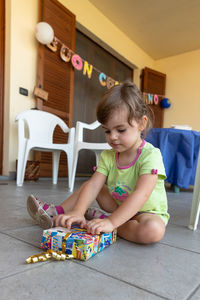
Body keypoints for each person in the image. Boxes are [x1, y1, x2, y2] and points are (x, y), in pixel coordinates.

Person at [27, 81, 169, 244]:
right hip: (117, 205)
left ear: (142, 124)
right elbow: (94, 186)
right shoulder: (109, 156)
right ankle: (58, 211)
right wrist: (79, 211)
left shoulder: (151, 155)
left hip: (146, 213)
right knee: (92, 185)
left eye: (121, 130)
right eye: (107, 131)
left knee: (153, 231)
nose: (113, 136)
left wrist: (111, 222)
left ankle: (105, 222)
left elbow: (141, 194)